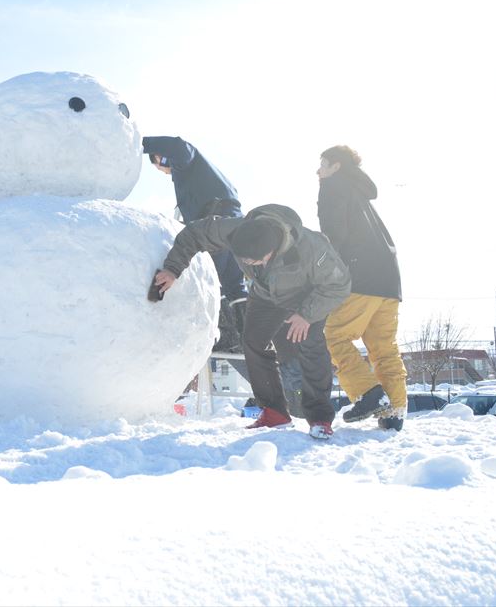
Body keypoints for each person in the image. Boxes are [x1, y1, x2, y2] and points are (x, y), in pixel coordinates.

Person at [154, 204, 351, 440]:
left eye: (255, 261)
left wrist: (306, 315)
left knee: (310, 344)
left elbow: (339, 285)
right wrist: (173, 269)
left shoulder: (312, 248)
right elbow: (195, 233)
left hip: (307, 296)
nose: (250, 264)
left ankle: (319, 418)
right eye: (245, 260)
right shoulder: (236, 230)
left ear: (272, 251)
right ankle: (275, 412)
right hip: (266, 293)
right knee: (253, 341)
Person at [317, 145, 407, 431]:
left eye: (323, 164)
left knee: (334, 335)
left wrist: (325, 274)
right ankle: (394, 411)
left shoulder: (332, 186)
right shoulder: (360, 193)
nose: (318, 170)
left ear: (336, 167)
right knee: (384, 348)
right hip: (389, 280)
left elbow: (334, 236)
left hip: (361, 276)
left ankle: (369, 394)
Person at [141, 136, 248, 352]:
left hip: (215, 223)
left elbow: (180, 147)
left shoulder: (186, 162)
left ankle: (213, 331)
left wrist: (140, 143)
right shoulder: (199, 178)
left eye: (160, 167)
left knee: (205, 278)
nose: (163, 173)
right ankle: (242, 334)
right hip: (234, 226)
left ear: (162, 159)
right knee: (233, 284)